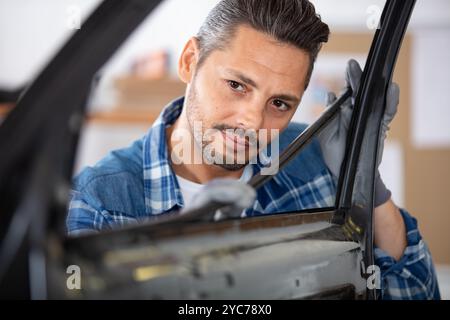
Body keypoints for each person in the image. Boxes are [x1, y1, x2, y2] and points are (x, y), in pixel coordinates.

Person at [67, 0, 440, 299]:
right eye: (236, 85)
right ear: (188, 62)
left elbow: (414, 290)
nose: (251, 121)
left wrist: (366, 181)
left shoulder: (314, 157)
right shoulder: (100, 201)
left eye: (279, 103)